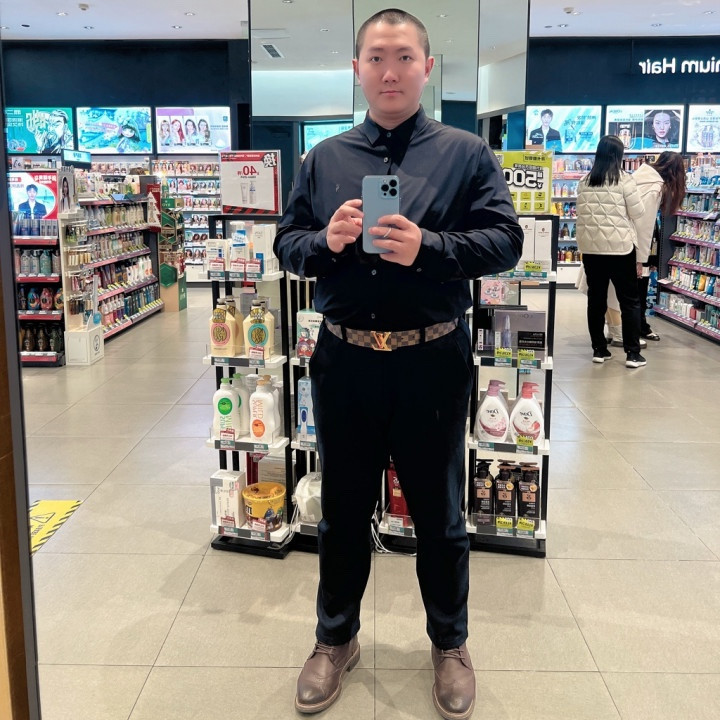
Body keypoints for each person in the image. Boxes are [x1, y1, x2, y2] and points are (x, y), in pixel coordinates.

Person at [274, 9, 523, 719]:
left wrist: (430, 248)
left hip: (431, 359)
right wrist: (325, 241)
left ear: (426, 67)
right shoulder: (323, 159)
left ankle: (450, 644)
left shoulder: (466, 154)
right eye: (377, 58)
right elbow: (287, 244)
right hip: (344, 359)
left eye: (404, 57)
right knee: (343, 510)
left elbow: (506, 240)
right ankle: (334, 639)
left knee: (441, 514)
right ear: (357, 69)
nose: (390, 71)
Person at [576, 135, 646, 368]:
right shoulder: (625, 180)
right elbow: (638, 212)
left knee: (596, 299)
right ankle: (633, 353)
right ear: (619, 155)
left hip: (592, 250)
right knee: (629, 301)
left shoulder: (585, 181)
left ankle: (599, 349)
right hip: (620, 249)